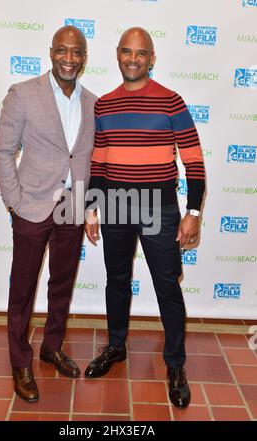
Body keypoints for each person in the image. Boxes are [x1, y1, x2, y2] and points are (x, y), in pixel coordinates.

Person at [84, 27, 205, 408]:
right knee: (116, 279)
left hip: (160, 205)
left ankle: (175, 364)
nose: (132, 59)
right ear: (117, 55)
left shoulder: (171, 102)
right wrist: (90, 207)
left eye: (140, 53)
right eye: (125, 51)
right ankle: (116, 346)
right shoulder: (103, 105)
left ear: (152, 58)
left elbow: (194, 160)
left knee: (167, 285)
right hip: (116, 203)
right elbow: (98, 163)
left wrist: (193, 212)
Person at [0, 26, 97, 402]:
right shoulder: (23, 95)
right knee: (22, 290)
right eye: (62, 51)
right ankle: (20, 360)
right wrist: (14, 201)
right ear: (51, 52)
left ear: (85, 58)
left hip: (72, 207)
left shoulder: (93, 103)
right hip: (31, 206)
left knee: (62, 284)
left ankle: (51, 347)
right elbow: (4, 151)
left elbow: (85, 159)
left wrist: (87, 207)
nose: (69, 59)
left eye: (77, 53)